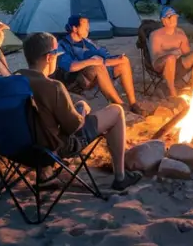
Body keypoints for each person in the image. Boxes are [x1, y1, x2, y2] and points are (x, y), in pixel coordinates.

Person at [16, 32, 143, 191]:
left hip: (19, 147)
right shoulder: (53, 86)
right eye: (57, 54)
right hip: (54, 148)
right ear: (49, 58)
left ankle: (45, 175)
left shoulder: (14, 79)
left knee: (44, 119)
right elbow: (73, 127)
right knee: (116, 111)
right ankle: (120, 177)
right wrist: (81, 109)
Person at [56, 15, 145, 116]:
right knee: (99, 67)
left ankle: (133, 103)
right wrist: (91, 61)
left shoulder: (87, 42)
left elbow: (102, 59)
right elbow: (70, 67)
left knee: (123, 62)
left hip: (93, 74)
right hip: (74, 81)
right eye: (85, 26)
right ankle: (120, 104)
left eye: (88, 26)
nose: (88, 29)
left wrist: (117, 59)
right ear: (74, 28)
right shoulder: (62, 44)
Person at [148, 6, 193, 98]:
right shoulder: (156, 35)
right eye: (169, 17)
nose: (173, 20)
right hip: (161, 66)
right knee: (171, 58)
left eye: (174, 17)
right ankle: (172, 92)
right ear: (163, 20)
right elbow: (155, 57)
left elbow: (186, 54)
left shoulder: (180, 33)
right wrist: (171, 56)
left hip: (177, 64)